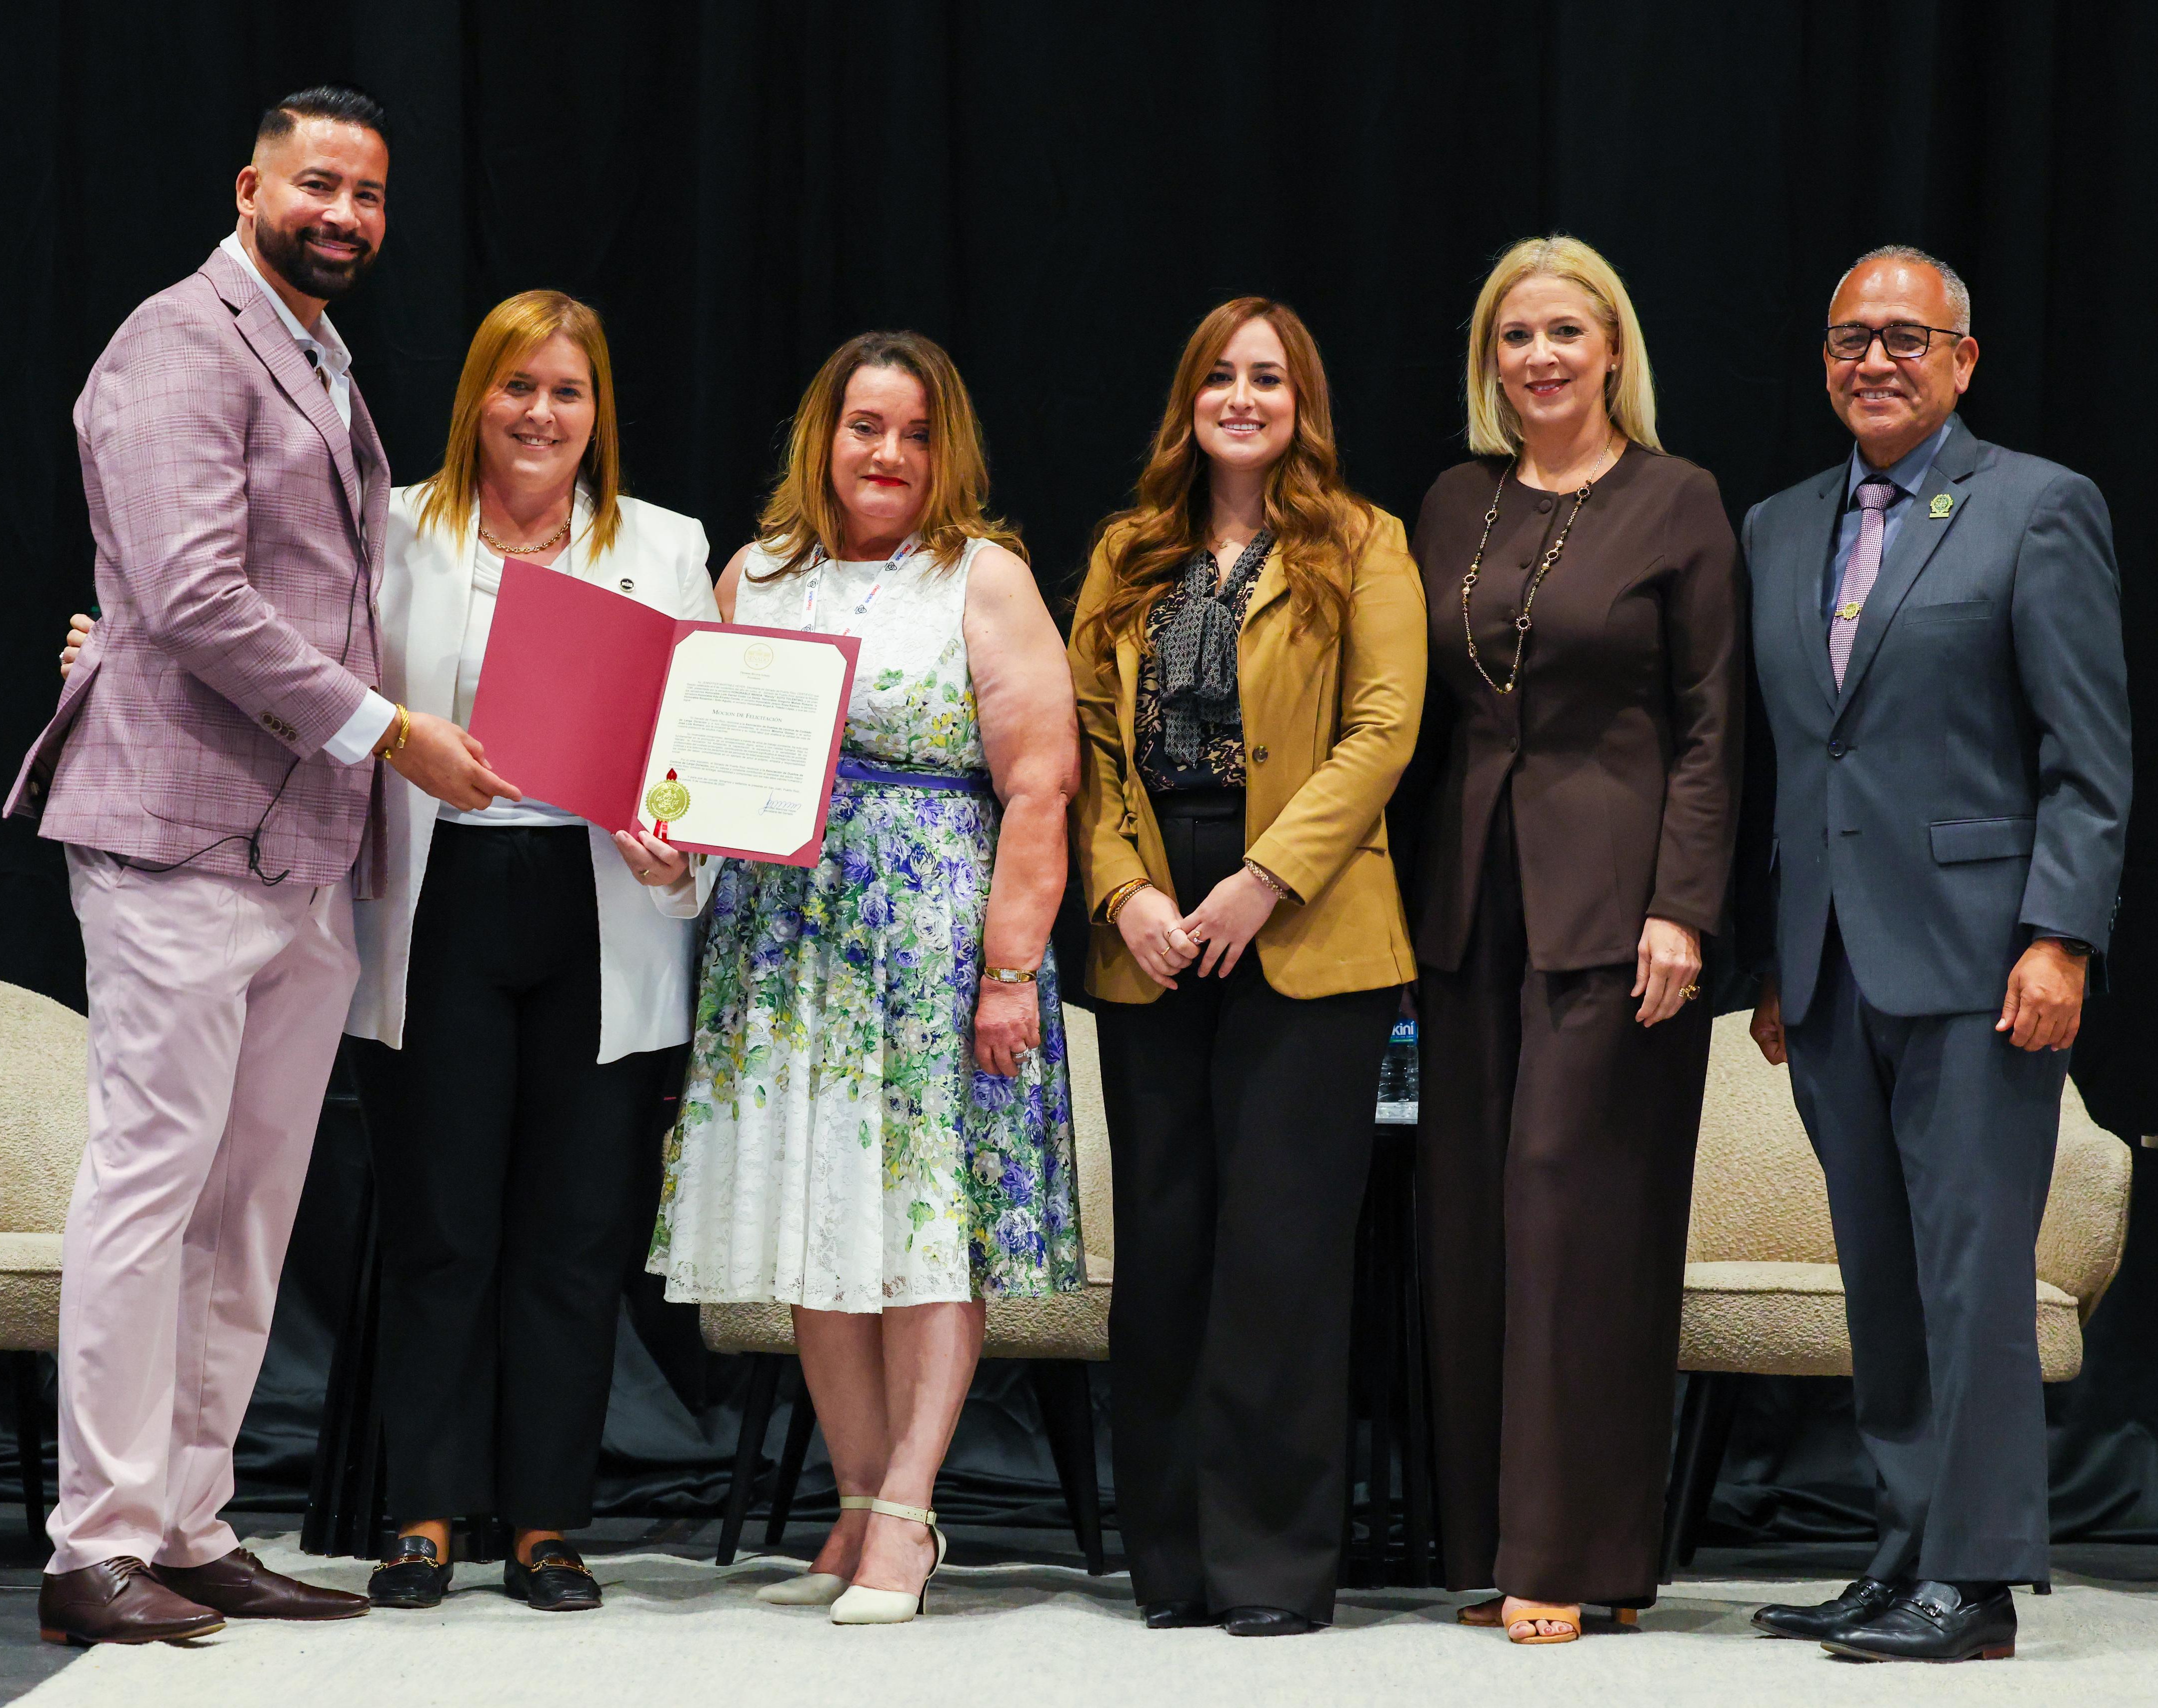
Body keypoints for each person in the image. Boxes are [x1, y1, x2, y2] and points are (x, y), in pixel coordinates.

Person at [68, 292, 718, 1612]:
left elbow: (696, 743)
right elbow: (260, 643)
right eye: (516, 386)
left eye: (568, 391)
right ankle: (423, 1514)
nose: (540, 413)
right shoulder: (390, 529)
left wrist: (682, 847)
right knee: (438, 1224)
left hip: (600, 905)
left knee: (574, 1233)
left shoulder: (666, 545)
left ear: (600, 413)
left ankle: (546, 1527)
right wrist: (118, 650)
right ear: (476, 397)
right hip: (433, 902)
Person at [4, 86, 516, 1648]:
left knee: (247, 1209)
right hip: (176, 834)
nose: (345, 215)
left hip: (300, 850)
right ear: (249, 187)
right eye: (317, 185)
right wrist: (393, 734)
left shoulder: (318, 355)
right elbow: (193, 596)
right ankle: (95, 1543)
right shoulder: (178, 340)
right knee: (150, 1188)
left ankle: (190, 1522)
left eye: (369, 194)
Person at [646, 330, 1084, 1626]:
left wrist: (1010, 971)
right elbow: (699, 761)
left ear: (948, 452)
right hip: (781, 948)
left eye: (915, 433)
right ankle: (851, 1500)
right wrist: (671, 841)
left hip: (932, 944)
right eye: (865, 427)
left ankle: (908, 1512)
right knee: (814, 1216)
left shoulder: (980, 577)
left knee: (928, 1223)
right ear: (823, 438)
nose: (888, 453)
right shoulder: (756, 573)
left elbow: (1041, 786)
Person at [1742, 246, 2130, 1664]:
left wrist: (2060, 936)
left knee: (1972, 1278)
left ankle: (1977, 1581)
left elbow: (2088, 756)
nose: (1875, 362)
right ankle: (1906, 1549)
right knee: (1883, 1276)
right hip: (1828, 964)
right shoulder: (1777, 526)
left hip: (1982, 962)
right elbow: (1801, 762)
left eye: (1907, 338)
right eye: (1851, 338)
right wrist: (1777, 958)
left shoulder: (2038, 506)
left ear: (1964, 360)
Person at [1068, 298, 1425, 1638]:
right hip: (1152, 929)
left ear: (1301, 403)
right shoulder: (1128, 552)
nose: (1242, 396)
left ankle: (1272, 1567)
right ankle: (1173, 1564)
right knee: (1165, 1247)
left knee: (1283, 1254)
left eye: (1268, 377)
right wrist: (1126, 893)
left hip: (1304, 922)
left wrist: (1263, 878)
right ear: (1189, 400)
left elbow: (1384, 731)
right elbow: (1086, 747)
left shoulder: (1364, 542)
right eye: (1219, 375)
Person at [1404, 236, 1742, 1646]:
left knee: (1575, 1214)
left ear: (1613, 351)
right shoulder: (1451, 501)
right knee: (1472, 1219)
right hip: (1467, 901)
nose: (1538, 357)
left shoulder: (1679, 498)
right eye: (1514, 336)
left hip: (1619, 907)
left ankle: (1575, 1551)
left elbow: (1715, 723)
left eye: (1564, 333)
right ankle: (1491, 1544)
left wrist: (1685, 906)